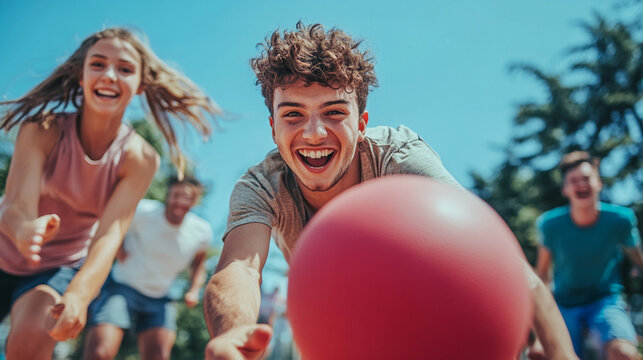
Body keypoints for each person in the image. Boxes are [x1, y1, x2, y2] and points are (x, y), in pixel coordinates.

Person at [203, 22, 577, 360]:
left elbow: (494, 255)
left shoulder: (399, 158)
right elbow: (239, 270)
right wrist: (233, 334)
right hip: (330, 319)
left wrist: (562, 353)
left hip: (420, 305)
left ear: (362, 122)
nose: (314, 132)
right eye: (293, 114)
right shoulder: (261, 185)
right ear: (273, 128)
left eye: (334, 112)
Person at [0, 27, 218, 360]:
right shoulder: (42, 128)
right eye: (98, 64)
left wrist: (79, 295)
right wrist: (24, 229)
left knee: (32, 335)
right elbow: (16, 204)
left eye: (125, 69)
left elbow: (109, 235)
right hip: (5, 245)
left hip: (57, 267)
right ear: (81, 74)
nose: (110, 76)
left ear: (140, 84)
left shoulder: (140, 158)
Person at [82, 175, 212, 360]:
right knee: (100, 353)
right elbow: (112, 222)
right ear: (168, 195)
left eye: (188, 198)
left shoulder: (201, 231)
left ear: (195, 201)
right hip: (122, 287)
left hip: (161, 297)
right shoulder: (144, 211)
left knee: (158, 356)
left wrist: (194, 289)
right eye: (176, 195)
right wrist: (117, 246)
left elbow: (199, 262)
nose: (181, 202)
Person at [534, 151, 643, 359]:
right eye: (574, 181)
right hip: (564, 305)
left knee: (623, 353)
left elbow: (638, 261)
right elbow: (543, 277)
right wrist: (542, 327)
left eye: (586, 178)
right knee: (541, 354)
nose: (581, 184)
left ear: (599, 183)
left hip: (605, 301)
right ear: (565, 189)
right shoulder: (549, 225)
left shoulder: (621, 220)